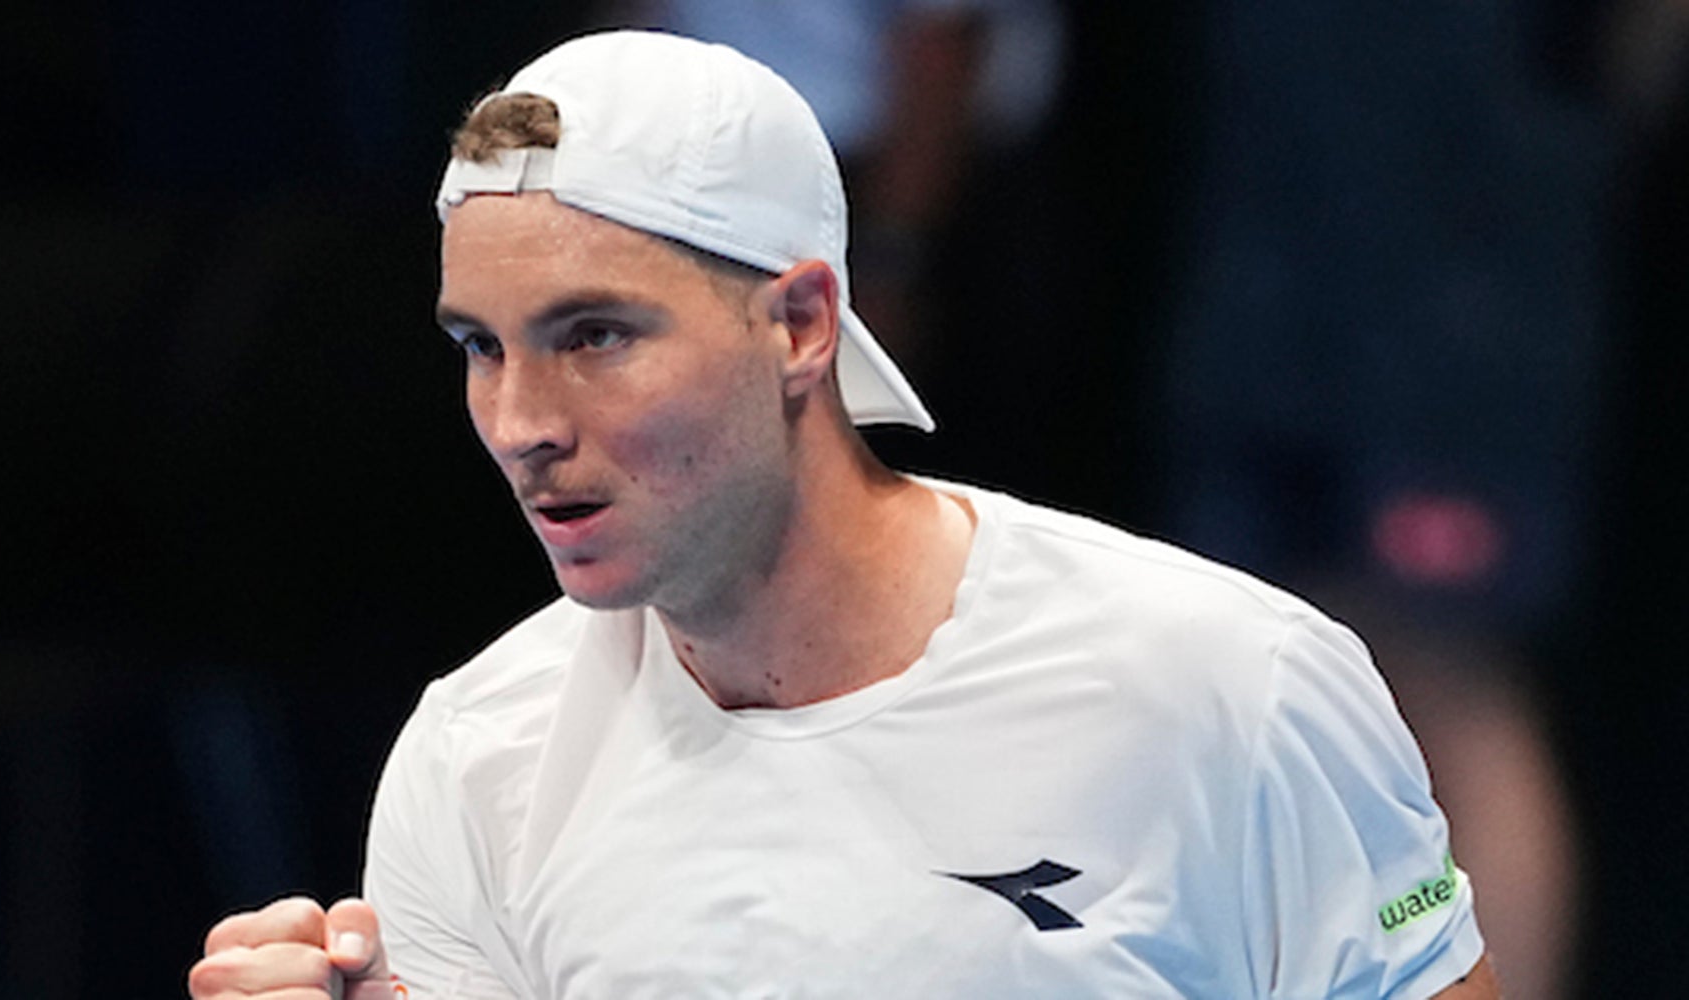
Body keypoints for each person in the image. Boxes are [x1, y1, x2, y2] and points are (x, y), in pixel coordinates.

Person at [188, 30, 1497, 999]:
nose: (521, 419)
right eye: (483, 345)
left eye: (595, 335)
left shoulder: (1233, 682)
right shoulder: (476, 756)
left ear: (803, 324)